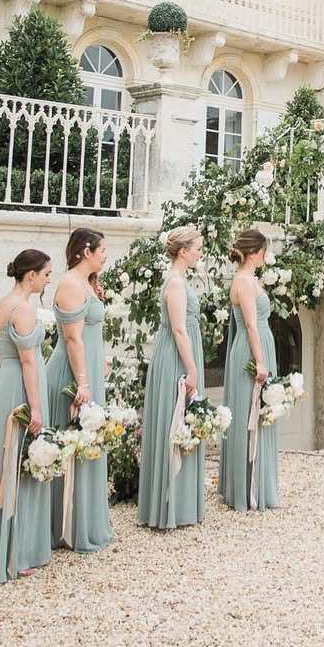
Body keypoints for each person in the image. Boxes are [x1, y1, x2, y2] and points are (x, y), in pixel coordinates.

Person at [0, 249, 54, 583]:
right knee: (21, 464)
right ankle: (16, 553)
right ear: (31, 275)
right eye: (46, 274)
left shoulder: (0, 305)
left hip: (5, 383)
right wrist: (36, 407)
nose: (48, 280)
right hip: (21, 386)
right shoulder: (23, 309)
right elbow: (29, 361)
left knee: (3, 463)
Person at [46, 227, 113, 552]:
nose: (105, 256)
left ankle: (84, 521)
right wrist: (83, 383)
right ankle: (65, 526)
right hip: (72, 375)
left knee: (87, 445)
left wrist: (101, 362)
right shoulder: (71, 284)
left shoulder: (86, 283)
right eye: (102, 250)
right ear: (86, 252)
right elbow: (72, 338)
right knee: (71, 444)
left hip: (88, 372)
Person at [138, 226, 207, 529]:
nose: (200, 253)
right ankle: (171, 505)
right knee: (175, 421)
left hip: (182, 353)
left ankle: (180, 504)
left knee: (183, 424)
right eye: (197, 248)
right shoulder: (176, 283)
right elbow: (178, 329)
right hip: (177, 358)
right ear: (183, 251)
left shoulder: (178, 280)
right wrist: (191, 369)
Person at [220, 229, 279, 512]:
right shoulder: (243, 281)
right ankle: (248, 488)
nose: (266, 256)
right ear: (255, 253)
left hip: (259, 345)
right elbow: (251, 324)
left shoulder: (249, 278)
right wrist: (260, 361)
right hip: (251, 350)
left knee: (260, 412)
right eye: (264, 251)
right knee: (249, 412)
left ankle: (259, 483)